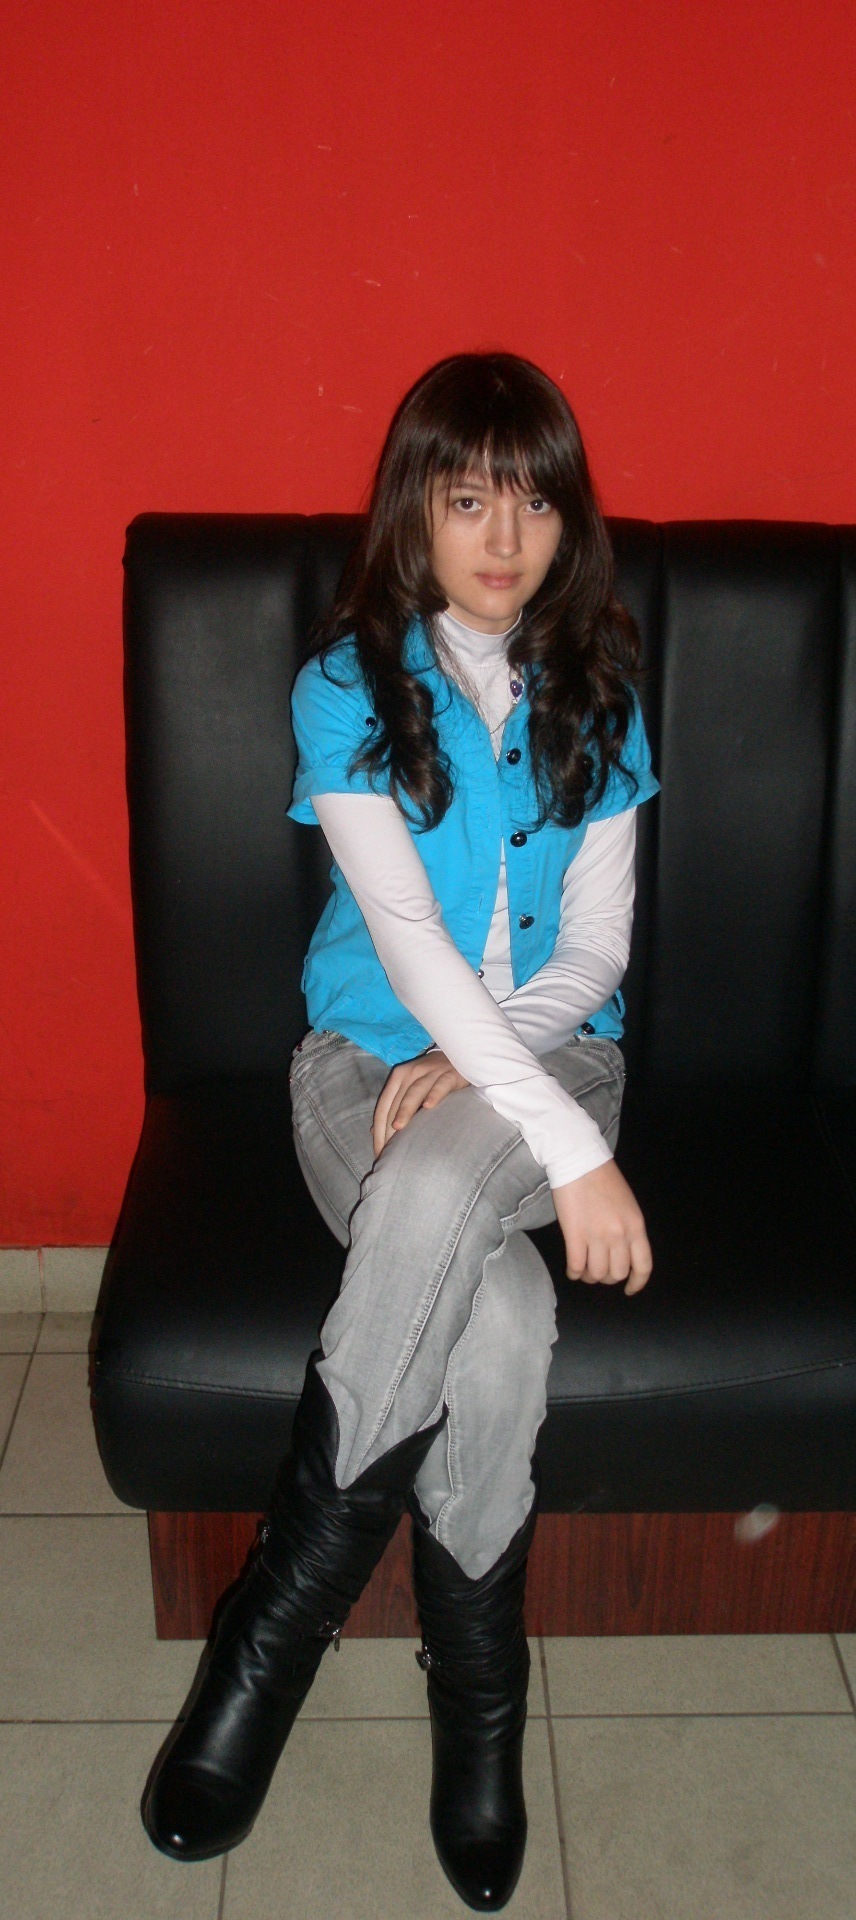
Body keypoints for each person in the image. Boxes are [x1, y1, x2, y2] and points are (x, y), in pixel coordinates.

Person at [142, 351, 659, 1911]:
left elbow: (599, 948)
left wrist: (529, 1095)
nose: (505, 536)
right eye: (469, 498)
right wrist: (569, 1157)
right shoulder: (345, 687)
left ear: (570, 522)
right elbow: (412, 943)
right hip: (364, 1065)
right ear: (415, 512)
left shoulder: (602, 690)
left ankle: (265, 1648)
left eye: (536, 502)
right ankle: (479, 1693)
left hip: (561, 1059)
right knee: (499, 1318)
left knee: (443, 1182)